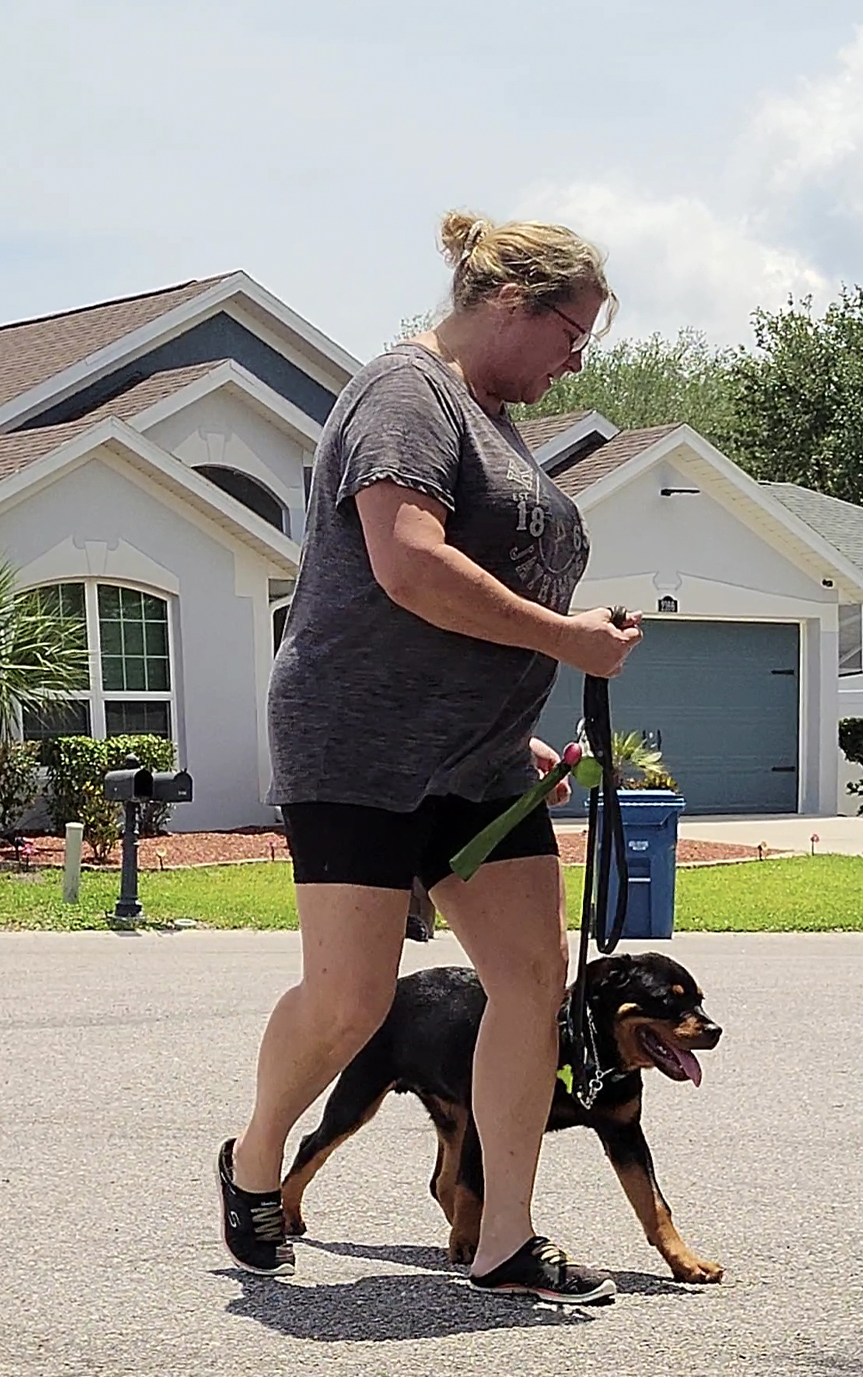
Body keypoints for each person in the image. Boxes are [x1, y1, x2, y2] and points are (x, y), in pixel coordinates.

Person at [216, 210, 642, 1304]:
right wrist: (564, 638)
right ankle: (255, 1153)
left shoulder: (495, 421)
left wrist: (515, 710)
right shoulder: (407, 394)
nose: (575, 357)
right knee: (351, 1001)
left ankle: (503, 1238)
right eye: (571, 330)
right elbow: (409, 564)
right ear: (512, 300)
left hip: (481, 758)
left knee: (534, 981)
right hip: (359, 742)